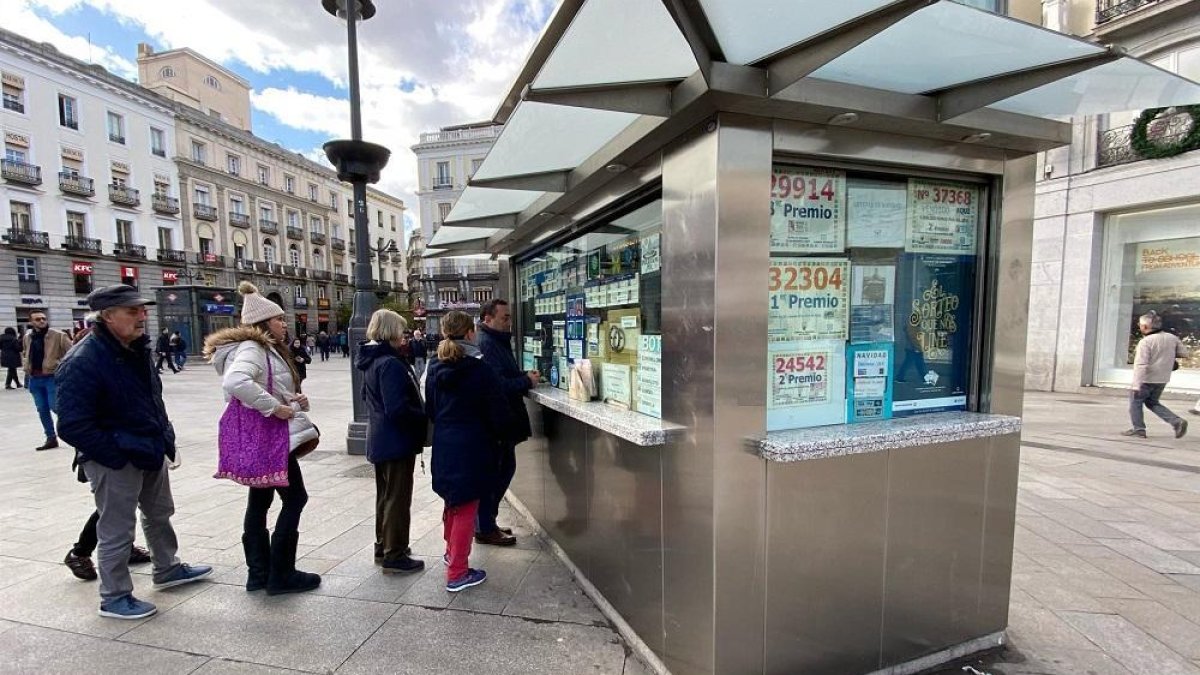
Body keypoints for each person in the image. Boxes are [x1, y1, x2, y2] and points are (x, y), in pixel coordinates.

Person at [55, 285, 213, 619]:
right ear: (108, 316)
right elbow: (71, 425)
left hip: (150, 447)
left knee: (159, 513)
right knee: (116, 528)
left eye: (142, 310)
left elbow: (152, 398)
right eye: (133, 311)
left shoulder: (137, 348)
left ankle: (167, 569)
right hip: (116, 457)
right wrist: (115, 455)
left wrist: (165, 437)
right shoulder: (84, 359)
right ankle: (114, 597)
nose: (142, 316)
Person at [205, 282, 321, 595]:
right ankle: (282, 574)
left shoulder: (261, 350)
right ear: (263, 324)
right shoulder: (253, 348)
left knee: (260, 500)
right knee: (295, 498)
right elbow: (237, 382)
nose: (284, 324)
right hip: (268, 437)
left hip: (261, 434)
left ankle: (259, 573)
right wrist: (277, 408)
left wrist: (293, 401)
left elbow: (262, 384)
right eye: (278, 319)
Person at [425, 311, 511, 592]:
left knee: (453, 502)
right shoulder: (479, 369)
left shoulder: (434, 366)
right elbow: (497, 411)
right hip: (472, 446)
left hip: (445, 444)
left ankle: (452, 552)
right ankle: (458, 572)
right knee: (466, 508)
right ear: (471, 334)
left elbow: (431, 410)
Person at [356, 309, 427, 575]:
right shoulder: (390, 364)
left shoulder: (372, 360)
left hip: (380, 437)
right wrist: (422, 415)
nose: (405, 335)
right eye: (401, 330)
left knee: (385, 495)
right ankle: (395, 553)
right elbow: (397, 408)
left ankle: (383, 544)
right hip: (396, 440)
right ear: (391, 331)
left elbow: (368, 398)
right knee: (397, 497)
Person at [474, 299, 540, 546]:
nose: (509, 321)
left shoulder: (497, 342)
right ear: (487, 319)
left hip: (503, 420)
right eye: (504, 317)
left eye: (510, 317)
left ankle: (487, 524)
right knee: (497, 474)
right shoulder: (488, 344)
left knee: (503, 471)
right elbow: (497, 386)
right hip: (497, 422)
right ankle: (485, 527)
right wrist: (526, 382)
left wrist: (523, 376)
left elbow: (504, 376)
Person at [1123, 311, 1189, 439]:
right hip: (1162, 378)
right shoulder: (1172, 337)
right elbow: (1184, 353)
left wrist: (1136, 385)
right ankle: (1176, 421)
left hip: (1147, 378)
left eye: (1140, 325)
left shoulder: (1146, 342)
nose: (1139, 326)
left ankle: (1139, 429)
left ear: (1145, 327)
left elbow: (1141, 365)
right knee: (1152, 402)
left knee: (1135, 403)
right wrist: (1167, 356)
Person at [22, 311, 74, 450]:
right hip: (35, 378)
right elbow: (26, 353)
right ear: (31, 322)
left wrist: (60, 367)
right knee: (42, 409)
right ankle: (51, 438)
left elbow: (73, 354)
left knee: (55, 406)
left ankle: (77, 430)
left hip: (52, 377)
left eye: (44, 318)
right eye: (37, 319)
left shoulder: (58, 335)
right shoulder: (28, 336)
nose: (42, 321)